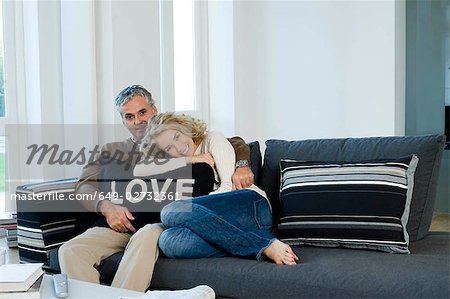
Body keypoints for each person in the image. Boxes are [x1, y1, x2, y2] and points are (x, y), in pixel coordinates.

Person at [58, 85, 255, 292]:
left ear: (154, 110)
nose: (137, 121)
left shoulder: (170, 138)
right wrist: (106, 207)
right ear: (123, 121)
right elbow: (83, 186)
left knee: (147, 234)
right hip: (119, 224)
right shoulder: (112, 151)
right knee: (70, 250)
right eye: (129, 116)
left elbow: (233, 142)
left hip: (161, 223)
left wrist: (242, 165)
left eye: (142, 112)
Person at [136, 113, 299, 265]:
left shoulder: (213, 139)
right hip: (231, 224)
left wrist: (190, 214)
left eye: (177, 136)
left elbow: (228, 186)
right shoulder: (182, 163)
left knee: (171, 210)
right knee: (169, 242)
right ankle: (246, 241)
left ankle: (264, 244)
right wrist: (189, 159)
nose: (178, 148)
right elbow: (142, 169)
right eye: (169, 148)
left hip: (251, 207)